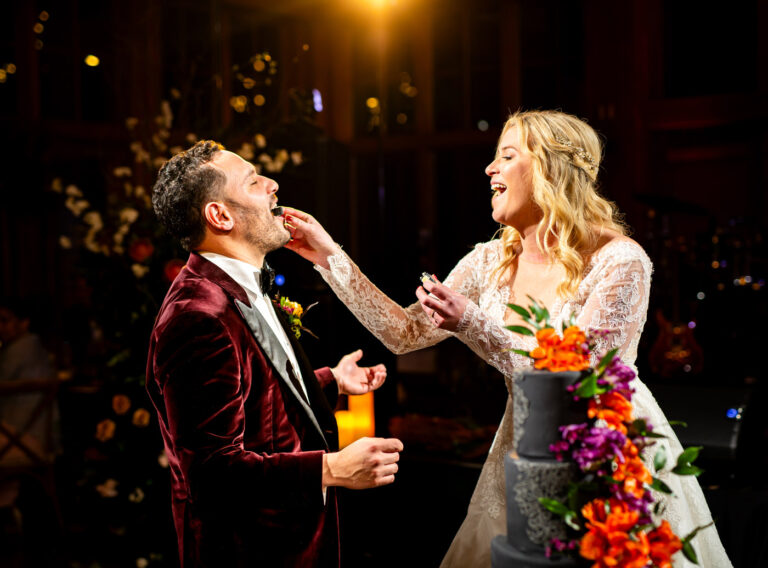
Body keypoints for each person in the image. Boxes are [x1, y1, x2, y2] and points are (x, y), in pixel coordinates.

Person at [282, 110, 732, 567]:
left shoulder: (618, 259)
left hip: (606, 453)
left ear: (551, 169)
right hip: (522, 442)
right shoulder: (488, 261)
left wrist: (473, 323)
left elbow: (582, 379)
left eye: (506, 156)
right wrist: (329, 257)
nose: (489, 169)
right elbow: (404, 332)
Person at [147, 141, 403, 567]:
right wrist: (332, 468)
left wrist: (329, 380)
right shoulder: (197, 316)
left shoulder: (238, 285)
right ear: (220, 216)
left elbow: (253, 394)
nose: (272, 185)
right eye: (253, 180)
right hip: (254, 550)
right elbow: (211, 472)